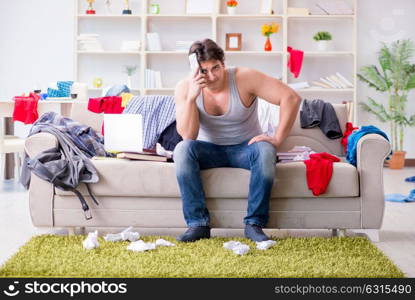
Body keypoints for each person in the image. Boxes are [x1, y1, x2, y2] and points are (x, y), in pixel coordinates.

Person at [174, 39, 301, 242]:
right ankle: (198, 224)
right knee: (182, 149)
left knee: (266, 149)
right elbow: (189, 136)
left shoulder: (244, 77)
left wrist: (277, 138)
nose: (212, 76)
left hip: (246, 148)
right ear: (195, 71)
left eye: (216, 67)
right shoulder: (184, 88)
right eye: (204, 71)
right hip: (209, 150)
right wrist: (191, 98)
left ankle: (254, 224)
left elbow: (291, 98)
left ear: (223, 63)